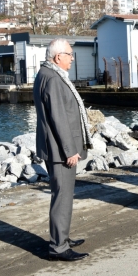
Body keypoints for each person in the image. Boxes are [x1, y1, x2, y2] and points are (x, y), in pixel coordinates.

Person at [33, 39, 91, 261]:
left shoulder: (46, 74)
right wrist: (70, 150)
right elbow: (59, 118)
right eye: (70, 54)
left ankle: (61, 236)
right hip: (60, 150)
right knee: (63, 197)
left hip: (54, 147)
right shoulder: (54, 79)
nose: (72, 58)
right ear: (58, 57)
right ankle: (58, 247)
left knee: (62, 195)